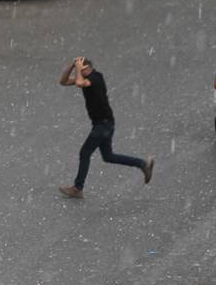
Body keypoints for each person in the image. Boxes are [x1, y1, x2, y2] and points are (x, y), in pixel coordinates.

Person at [58, 56, 153, 198]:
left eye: (81, 69)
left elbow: (79, 83)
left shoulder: (95, 78)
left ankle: (78, 188)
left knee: (85, 153)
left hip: (103, 124)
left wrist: (77, 69)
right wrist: (72, 66)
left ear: (87, 68)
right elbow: (63, 82)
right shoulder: (86, 78)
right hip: (104, 123)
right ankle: (143, 164)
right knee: (108, 156)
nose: (79, 71)